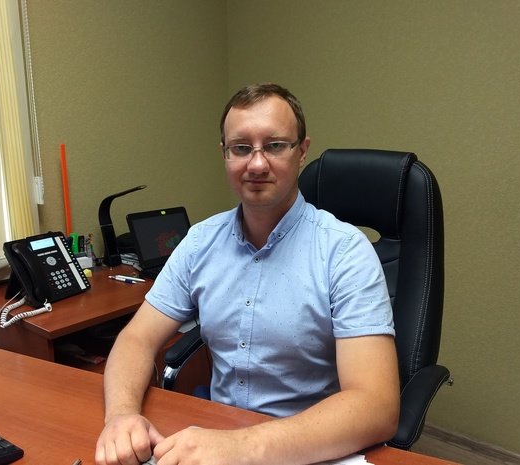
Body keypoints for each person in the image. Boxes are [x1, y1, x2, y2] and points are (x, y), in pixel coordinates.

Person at [95, 83, 399, 465]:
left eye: (275, 145)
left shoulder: (344, 251)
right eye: (241, 148)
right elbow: (136, 338)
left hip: (308, 450)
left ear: (302, 151)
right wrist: (121, 416)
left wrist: (242, 447)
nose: (256, 164)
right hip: (217, 438)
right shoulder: (200, 242)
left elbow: (376, 405)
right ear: (224, 154)